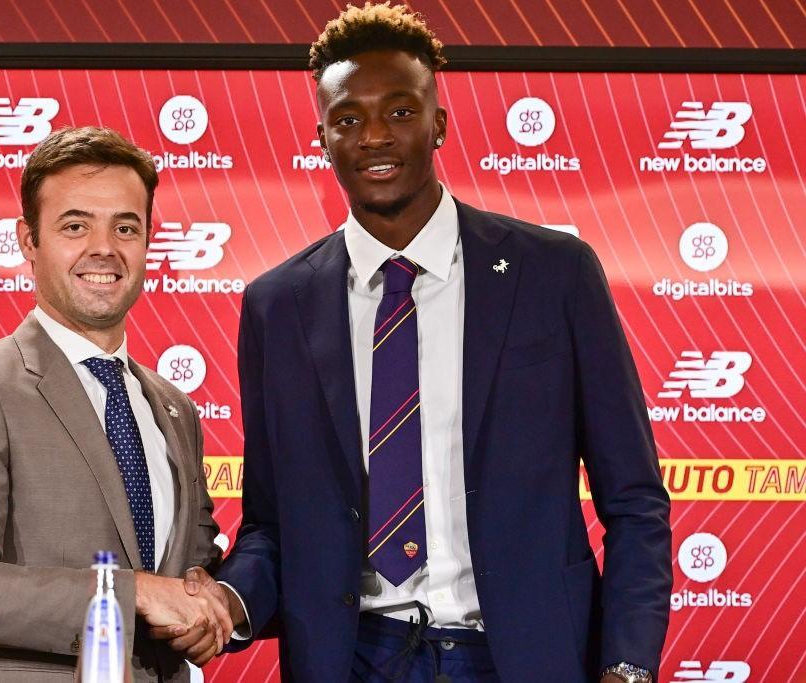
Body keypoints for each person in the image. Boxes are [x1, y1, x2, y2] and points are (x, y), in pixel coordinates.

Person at [193, 4, 672, 682]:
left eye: (400, 111)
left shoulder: (555, 273)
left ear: (439, 123)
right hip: (352, 655)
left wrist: (627, 665)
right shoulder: (277, 305)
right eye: (349, 119)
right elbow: (270, 524)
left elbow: (635, 501)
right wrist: (223, 600)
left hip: (523, 657)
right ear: (322, 137)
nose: (374, 137)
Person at [0, 126, 233, 683]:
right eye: (75, 225)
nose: (104, 248)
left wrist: (205, 606)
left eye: (126, 227)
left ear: (149, 241)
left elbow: (190, 569)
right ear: (28, 241)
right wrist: (133, 594)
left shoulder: (174, 409)